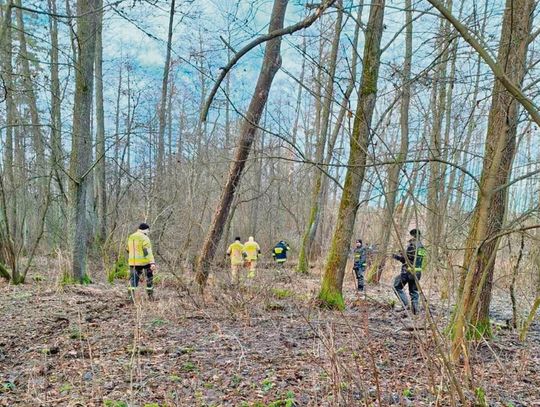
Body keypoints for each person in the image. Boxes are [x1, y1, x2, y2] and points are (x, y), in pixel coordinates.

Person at [392, 228, 427, 314]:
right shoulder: (422, 247)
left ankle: (406, 305)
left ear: (413, 236)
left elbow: (406, 260)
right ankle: (415, 311)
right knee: (414, 291)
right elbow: (416, 259)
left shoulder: (411, 245)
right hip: (417, 273)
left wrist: (396, 256)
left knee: (397, 286)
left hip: (407, 272)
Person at [127, 223, 157, 300]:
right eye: (148, 230)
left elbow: (127, 249)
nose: (148, 232)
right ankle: (150, 296)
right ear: (146, 230)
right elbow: (147, 251)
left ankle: (130, 297)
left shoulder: (131, 236)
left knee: (133, 279)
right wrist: (152, 263)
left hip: (133, 262)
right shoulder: (145, 238)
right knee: (149, 277)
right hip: (144, 262)